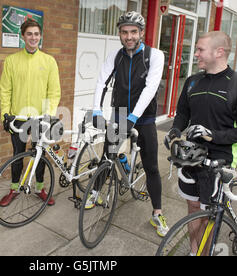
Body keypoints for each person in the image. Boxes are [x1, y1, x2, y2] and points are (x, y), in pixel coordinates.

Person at [164, 31, 237, 254]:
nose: (195, 54)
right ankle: (194, 251)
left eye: (200, 49)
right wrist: (176, 131)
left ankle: (205, 253)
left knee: (208, 215)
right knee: (193, 207)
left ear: (219, 52)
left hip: (219, 162)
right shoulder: (193, 81)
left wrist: (212, 135)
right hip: (190, 157)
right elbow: (182, 113)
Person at [91, 12, 169, 237]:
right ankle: (94, 192)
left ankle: (157, 212)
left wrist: (133, 117)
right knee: (107, 157)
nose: (129, 36)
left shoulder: (154, 55)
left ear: (141, 33)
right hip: (119, 114)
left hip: (143, 119)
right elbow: (101, 81)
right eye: (124, 32)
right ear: (119, 34)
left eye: (133, 32)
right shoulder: (116, 56)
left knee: (152, 166)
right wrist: (97, 109)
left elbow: (151, 87)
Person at [0, 19, 61, 207]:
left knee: (39, 155)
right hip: (18, 118)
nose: (33, 37)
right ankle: (14, 188)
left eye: (36, 34)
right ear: (23, 36)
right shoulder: (11, 61)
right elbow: (5, 90)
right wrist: (5, 114)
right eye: (29, 34)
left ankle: (40, 188)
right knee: (17, 154)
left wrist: (49, 116)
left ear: (40, 36)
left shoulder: (49, 61)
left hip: (40, 118)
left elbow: (54, 92)